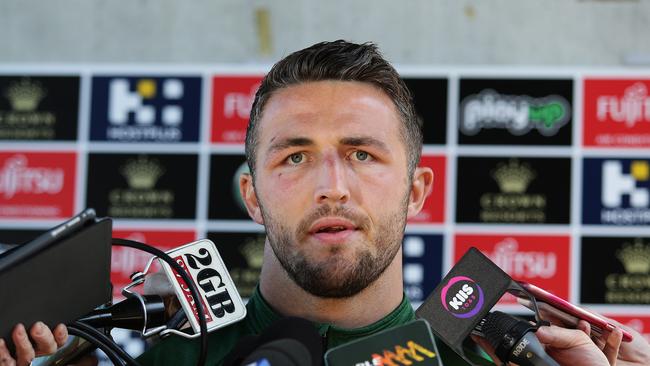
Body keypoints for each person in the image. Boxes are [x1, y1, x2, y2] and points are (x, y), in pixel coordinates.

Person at [2, 40, 649, 366]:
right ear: (252, 196)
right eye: (295, 156)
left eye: (363, 154)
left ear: (417, 189)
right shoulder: (165, 359)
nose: (332, 185)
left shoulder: (492, 360)